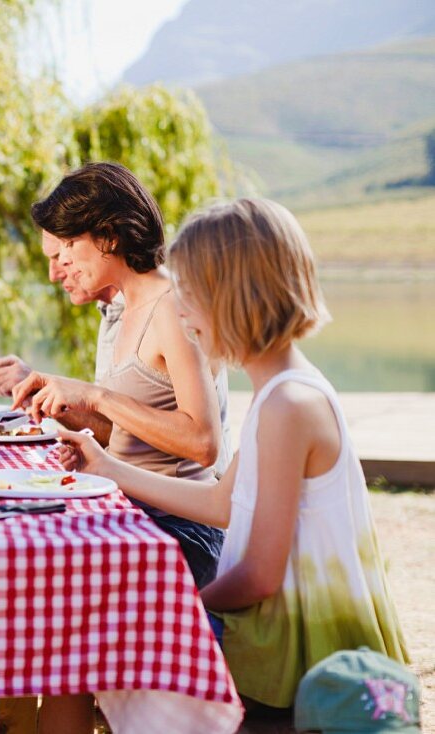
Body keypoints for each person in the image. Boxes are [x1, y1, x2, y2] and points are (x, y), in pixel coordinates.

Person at [56, 198, 409, 711]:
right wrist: (108, 467)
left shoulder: (289, 405)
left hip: (299, 650)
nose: (178, 311)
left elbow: (260, 575)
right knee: (96, 632)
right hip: (288, 630)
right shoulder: (282, 393)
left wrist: (183, 610)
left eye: (190, 295)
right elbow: (224, 503)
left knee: (91, 642)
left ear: (233, 297)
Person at [8, 163, 228, 589]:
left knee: (40, 571)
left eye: (71, 241)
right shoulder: (128, 309)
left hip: (183, 532)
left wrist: (96, 397)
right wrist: (73, 413)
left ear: (110, 237)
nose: (64, 259)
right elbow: (129, 433)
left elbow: (203, 443)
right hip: (132, 511)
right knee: (17, 540)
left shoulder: (171, 305)